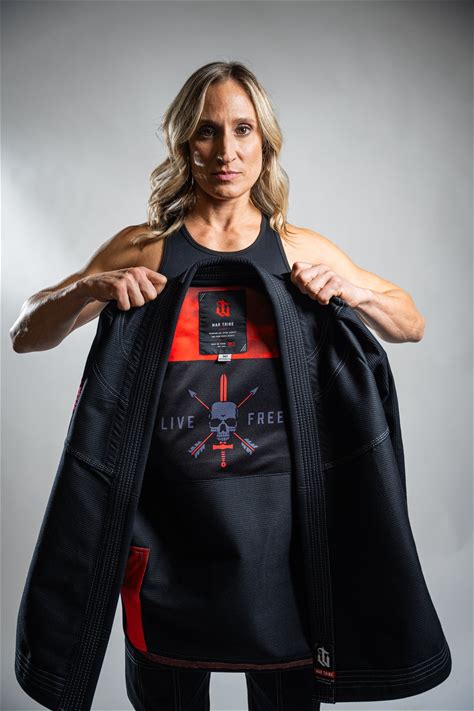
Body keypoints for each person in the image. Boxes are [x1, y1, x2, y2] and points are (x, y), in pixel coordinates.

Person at [10, 61, 425, 711]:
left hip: (281, 541)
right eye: (207, 131)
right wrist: (89, 288)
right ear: (185, 143)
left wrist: (353, 290)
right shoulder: (145, 248)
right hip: (164, 537)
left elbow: (410, 323)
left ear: (265, 142)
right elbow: (25, 332)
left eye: (242, 130)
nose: (226, 151)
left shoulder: (296, 249)